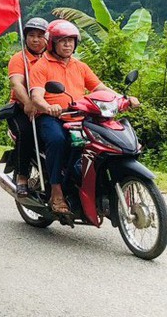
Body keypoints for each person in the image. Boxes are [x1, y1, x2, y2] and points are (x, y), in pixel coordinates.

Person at [28, 20, 139, 215]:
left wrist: (123, 99)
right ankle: (56, 192)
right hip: (52, 117)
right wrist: (48, 107)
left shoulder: (80, 66)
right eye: (62, 41)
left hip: (79, 116)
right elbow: (36, 96)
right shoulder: (41, 66)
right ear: (52, 43)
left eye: (71, 41)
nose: (67, 45)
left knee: (97, 144)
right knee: (58, 141)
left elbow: (100, 88)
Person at [7, 17, 49, 197]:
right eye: (31, 35)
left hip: (47, 107)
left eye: (40, 36)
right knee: (26, 133)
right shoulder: (19, 59)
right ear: (25, 37)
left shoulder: (52, 58)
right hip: (21, 108)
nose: (36, 39)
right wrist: (29, 103)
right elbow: (17, 84)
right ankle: (22, 177)